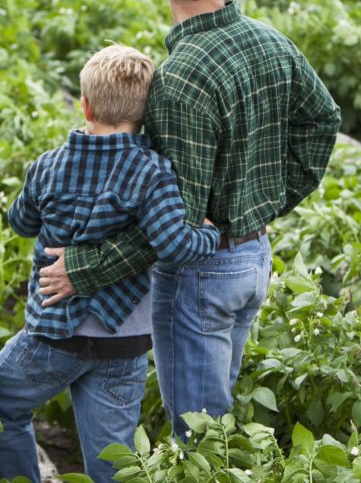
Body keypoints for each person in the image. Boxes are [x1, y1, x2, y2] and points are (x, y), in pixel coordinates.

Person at [39, 0, 342, 438]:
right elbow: (324, 121)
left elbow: (174, 228)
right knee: (215, 427)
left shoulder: (177, 80)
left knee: (200, 436)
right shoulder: (272, 42)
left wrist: (83, 269)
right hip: (253, 259)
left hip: (202, 274)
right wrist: (266, 202)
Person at [0, 44, 220, 483]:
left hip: (54, 334)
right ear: (145, 112)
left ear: (85, 103)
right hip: (125, 340)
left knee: (5, 406)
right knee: (112, 458)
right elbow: (175, 244)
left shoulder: (48, 167)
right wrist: (211, 232)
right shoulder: (153, 171)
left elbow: (20, 221)